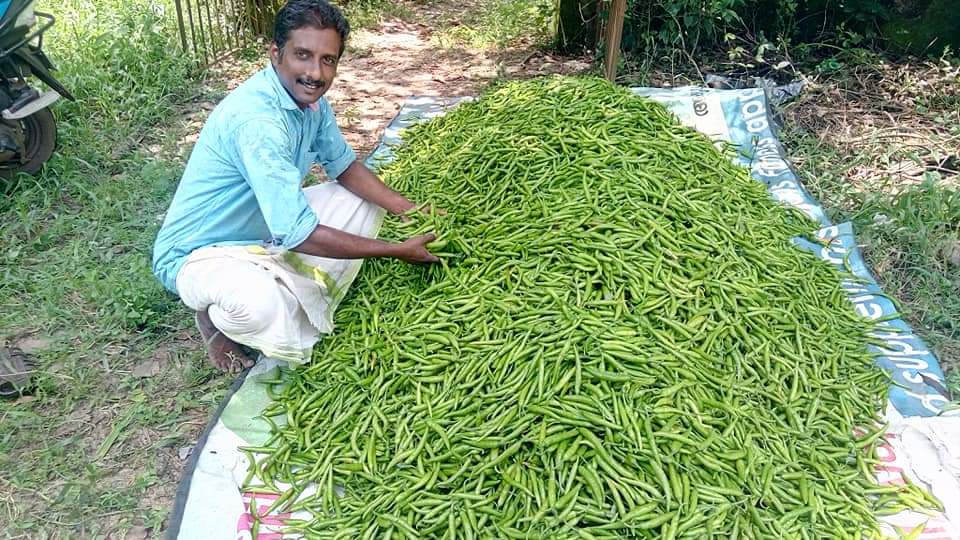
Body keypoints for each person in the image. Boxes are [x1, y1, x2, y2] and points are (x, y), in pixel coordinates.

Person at [152, 0, 438, 373]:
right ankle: (214, 319)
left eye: (328, 59)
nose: (315, 73)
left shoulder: (312, 103)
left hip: (266, 230)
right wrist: (394, 250)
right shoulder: (258, 123)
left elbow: (345, 167)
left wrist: (409, 209)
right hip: (201, 252)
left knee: (364, 202)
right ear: (276, 54)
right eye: (302, 55)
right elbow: (300, 233)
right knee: (257, 306)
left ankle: (283, 280)